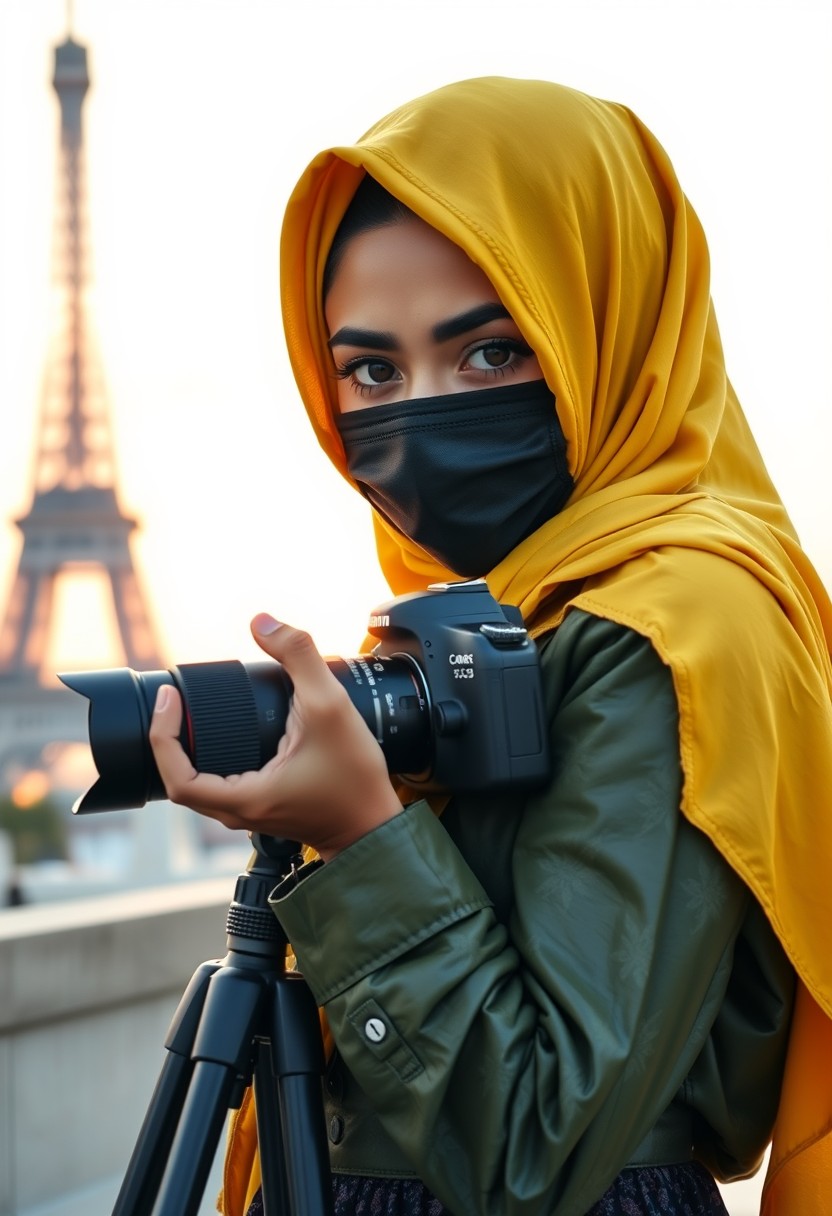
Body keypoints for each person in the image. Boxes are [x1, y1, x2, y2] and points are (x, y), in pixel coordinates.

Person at [149, 77, 832, 1215]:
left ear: (607, 325)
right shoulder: (496, 618)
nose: (416, 414)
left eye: (490, 353)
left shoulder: (671, 624)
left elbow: (538, 1141)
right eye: (371, 371)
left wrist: (359, 833)